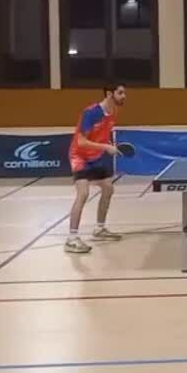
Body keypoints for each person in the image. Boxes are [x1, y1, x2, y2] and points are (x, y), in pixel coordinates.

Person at [64, 83, 126, 254]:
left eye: (124, 93)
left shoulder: (113, 112)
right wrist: (106, 148)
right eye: (120, 93)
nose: (124, 96)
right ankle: (71, 239)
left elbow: (103, 136)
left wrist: (109, 144)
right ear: (109, 94)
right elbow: (81, 141)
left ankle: (99, 229)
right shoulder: (91, 113)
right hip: (79, 157)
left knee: (108, 188)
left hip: (95, 157)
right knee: (83, 194)